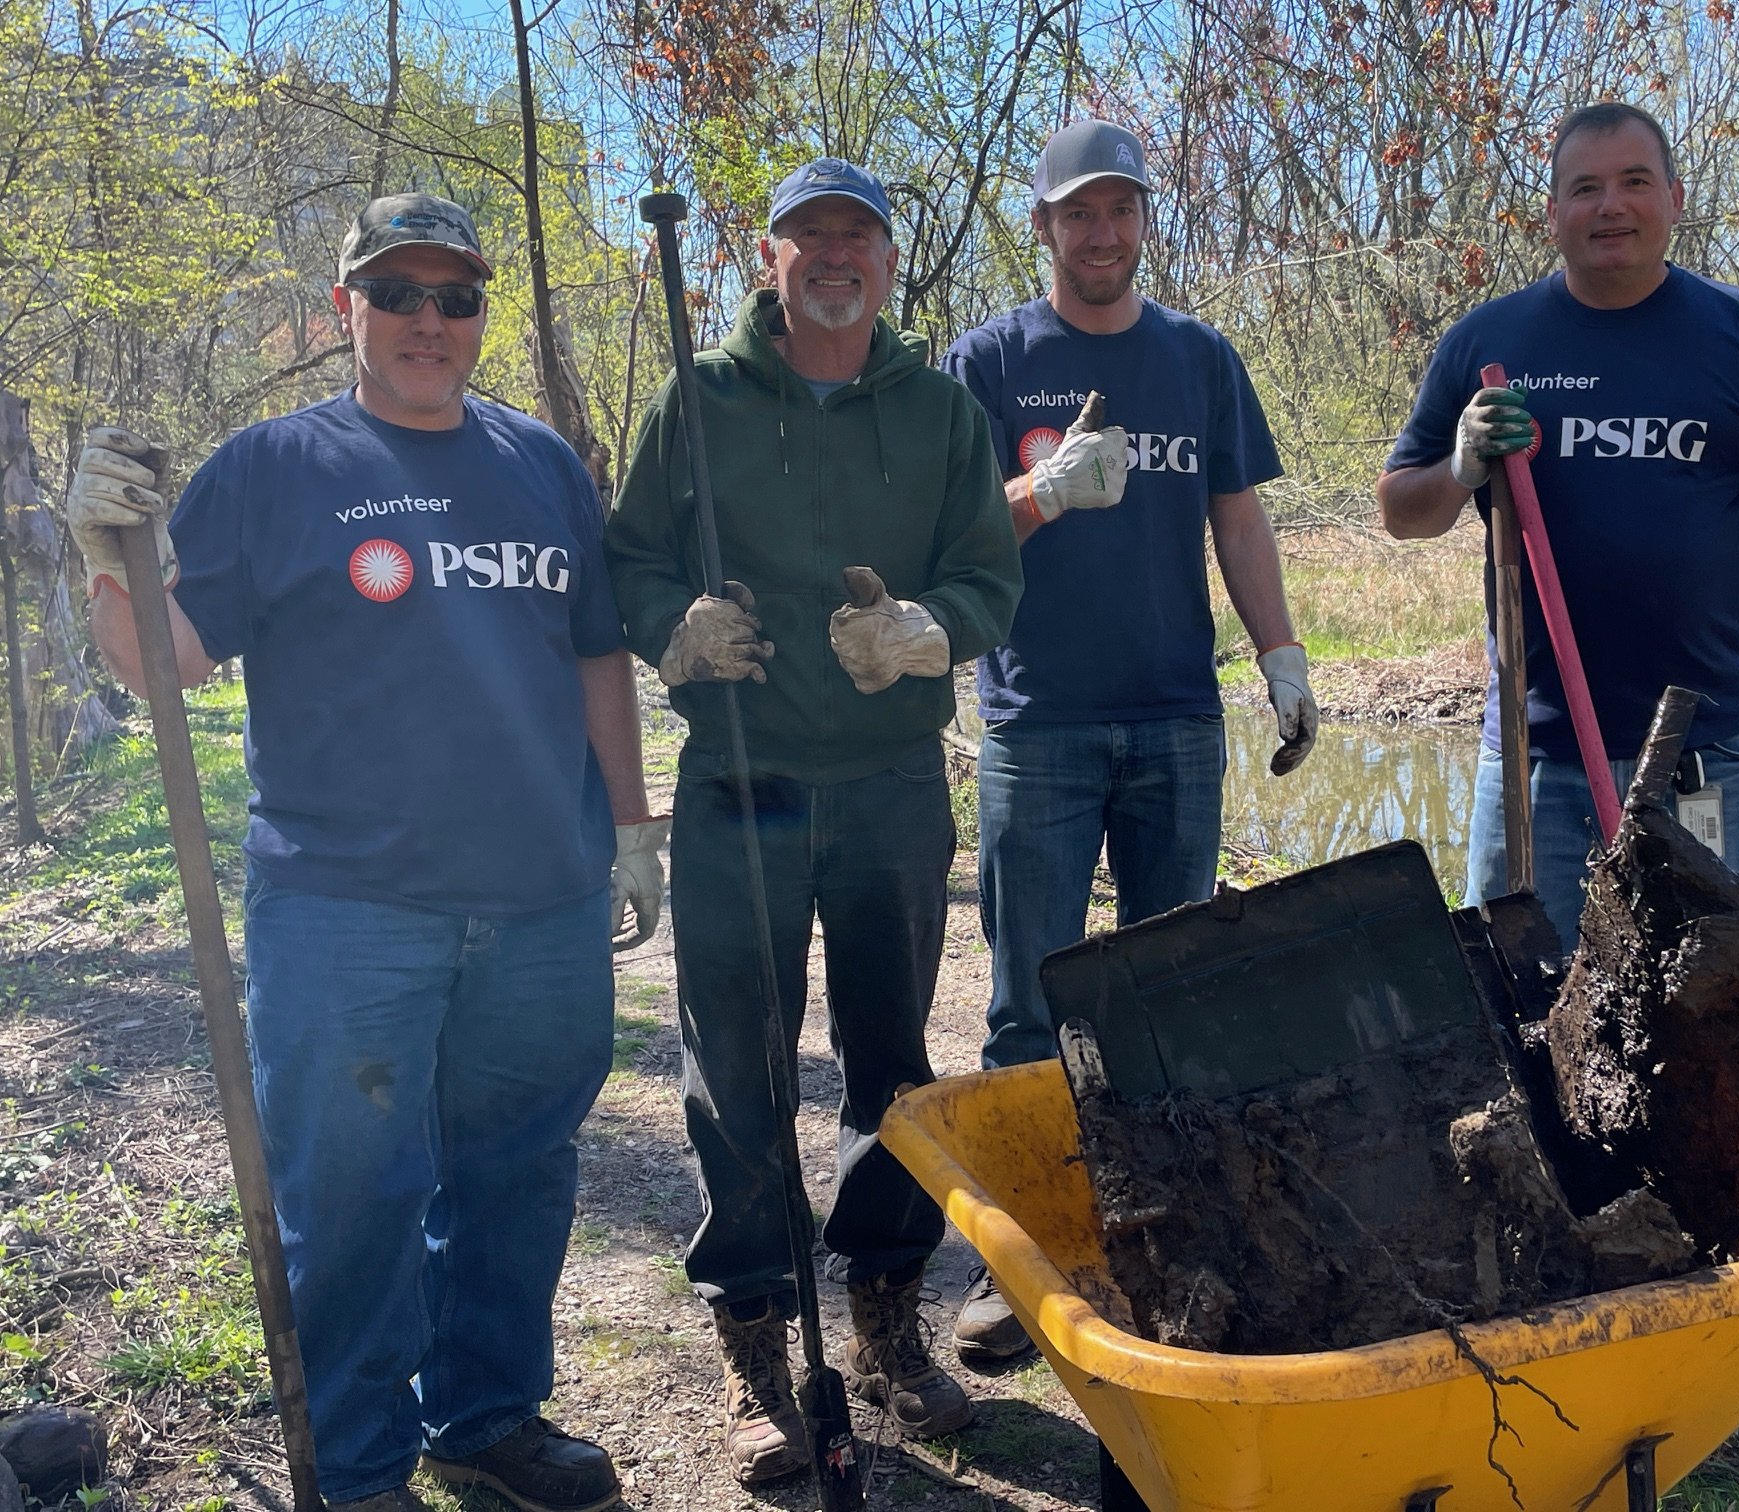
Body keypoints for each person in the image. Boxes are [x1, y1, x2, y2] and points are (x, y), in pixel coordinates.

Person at [63, 193, 661, 1512]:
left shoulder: (544, 464)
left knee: (519, 1173)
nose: (428, 323)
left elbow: (596, 653)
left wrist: (629, 829)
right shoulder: (272, 469)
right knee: (354, 1198)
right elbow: (162, 666)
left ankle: (486, 1415)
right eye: (399, 295)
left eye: (455, 299)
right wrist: (102, 555)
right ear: (347, 308)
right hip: (348, 912)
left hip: (543, 900)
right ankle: (358, 1464)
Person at [603, 158, 1021, 1487]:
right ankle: (755, 1352)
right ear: (769, 259)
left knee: (895, 1060)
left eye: (858, 235)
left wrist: (932, 630)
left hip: (895, 779)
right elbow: (627, 562)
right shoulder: (698, 399)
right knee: (739, 1064)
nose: (834, 254)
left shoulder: (942, 411)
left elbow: (988, 575)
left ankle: (888, 1328)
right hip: (739, 775)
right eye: (808, 237)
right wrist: (673, 630)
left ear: (888, 262)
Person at [940, 119, 1319, 1364]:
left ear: (1144, 220)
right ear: (1040, 225)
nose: (1101, 233)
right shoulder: (990, 362)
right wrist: (1044, 492)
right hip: (1035, 719)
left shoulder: (1196, 358)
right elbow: (948, 542)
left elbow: (1239, 518)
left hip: (1174, 715)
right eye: (1077, 213)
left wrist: (1281, 656)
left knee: (1167, 995)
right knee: (1026, 1004)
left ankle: (1169, 1241)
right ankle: (1022, 1264)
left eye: (1121, 211)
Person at [1377, 102, 1739, 951]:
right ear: (1552, 213)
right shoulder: (1490, 339)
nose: (1609, 205)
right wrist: (1463, 463)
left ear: (1675, 199)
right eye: (1584, 188)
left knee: (1686, 993)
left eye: (1633, 182)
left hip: (1703, 747)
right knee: (1524, 987)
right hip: (1534, 751)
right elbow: (1401, 510)